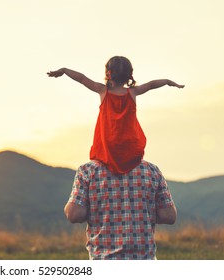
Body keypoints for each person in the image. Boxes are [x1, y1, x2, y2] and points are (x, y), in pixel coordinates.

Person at [47, 56, 184, 174]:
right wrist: (168, 81)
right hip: (130, 147)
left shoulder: (103, 91)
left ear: (108, 73)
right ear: (129, 75)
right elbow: (151, 84)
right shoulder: (132, 92)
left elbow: (82, 79)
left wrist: (64, 70)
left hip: (108, 149)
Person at [64, 159, 177, 260]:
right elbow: (169, 215)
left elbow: (74, 214)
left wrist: (97, 209)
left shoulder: (87, 171)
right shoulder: (152, 170)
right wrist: (142, 212)